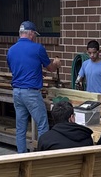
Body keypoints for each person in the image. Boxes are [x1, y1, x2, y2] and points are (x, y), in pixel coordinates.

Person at [6, 21, 62, 153]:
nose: (35, 37)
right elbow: (50, 68)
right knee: (42, 125)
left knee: (21, 128)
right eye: (35, 34)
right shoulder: (38, 48)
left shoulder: (11, 50)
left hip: (17, 92)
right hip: (31, 93)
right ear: (30, 33)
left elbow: (16, 70)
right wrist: (56, 64)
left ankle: (21, 157)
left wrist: (36, 71)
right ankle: (42, 157)